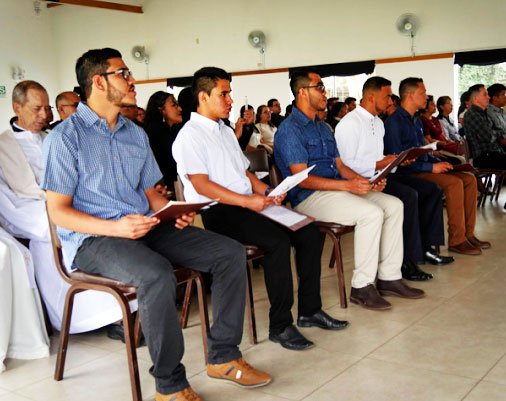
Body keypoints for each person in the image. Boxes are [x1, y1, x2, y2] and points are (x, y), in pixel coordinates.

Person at [42, 48, 271, 401]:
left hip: (145, 226)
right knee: (155, 273)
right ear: (99, 82)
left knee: (228, 252)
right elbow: (58, 212)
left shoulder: (134, 134)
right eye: (124, 73)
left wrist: (172, 210)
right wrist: (118, 228)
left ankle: (223, 357)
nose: (133, 80)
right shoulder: (65, 138)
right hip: (95, 239)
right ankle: (169, 384)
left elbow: (153, 197)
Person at [173, 66, 348, 351]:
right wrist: (247, 201)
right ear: (203, 96)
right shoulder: (190, 135)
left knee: (308, 232)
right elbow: (202, 186)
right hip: (221, 211)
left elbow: (245, 174)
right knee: (277, 242)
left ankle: (309, 311)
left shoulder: (225, 131)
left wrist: (267, 192)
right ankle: (280, 325)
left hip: (248, 204)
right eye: (224, 94)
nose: (231, 100)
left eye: (230, 93)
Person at [274, 69, 424, 311]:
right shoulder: (290, 129)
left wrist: (365, 182)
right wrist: (348, 185)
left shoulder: (322, 127)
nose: (325, 92)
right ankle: (362, 287)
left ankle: (389, 277)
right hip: (308, 197)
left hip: (335, 189)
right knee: (371, 213)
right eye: (319, 87)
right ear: (302, 92)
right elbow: (302, 179)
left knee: (394, 205)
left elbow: (341, 165)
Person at [0, 80, 126, 334]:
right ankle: (85, 318)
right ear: (17, 107)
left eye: (47, 108)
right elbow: (7, 199)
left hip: (68, 205)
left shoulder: (55, 138)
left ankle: (120, 307)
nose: (44, 115)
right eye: (37, 109)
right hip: (30, 213)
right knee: (54, 236)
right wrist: (53, 216)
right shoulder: (3, 147)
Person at [335, 76, 452, 282]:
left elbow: (379, 160)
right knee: (408, 196)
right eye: (387, 96)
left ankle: (424, 249)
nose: (391, 101)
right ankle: (407, 261)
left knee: (429, 189)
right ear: (371, 97)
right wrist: (382, 165)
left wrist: (398, 162)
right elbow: (346, 165)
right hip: (358, 183)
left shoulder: (378, 123)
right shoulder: (349, 124)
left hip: (379, 178)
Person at [384, 77, 491, 256]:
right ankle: (457, 240)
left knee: (469, 179)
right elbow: (398, 162)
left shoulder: (416, 120)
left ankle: (468, 234)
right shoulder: (394, 123)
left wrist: (439, 163)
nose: (426, 96)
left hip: (424, 166)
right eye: (423, 92)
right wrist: (431, 168)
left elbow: (422, 151)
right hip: (409, 173)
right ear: (410, 96)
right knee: (454, 183)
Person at [144, 91, 183, 191]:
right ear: (161, 110)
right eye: (174, 105)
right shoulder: (155, 133)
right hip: (165, 189)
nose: (180, 109)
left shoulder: (174, 131)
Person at [464, 84, 506, 169]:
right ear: (476, 99)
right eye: (485, 94)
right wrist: (499, 132)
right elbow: (488, 137)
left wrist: (495, 132)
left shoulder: (483, 113)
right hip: (484, 156)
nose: (488, 97)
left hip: (494, 153)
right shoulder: (473, 114)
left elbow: (491, 133)